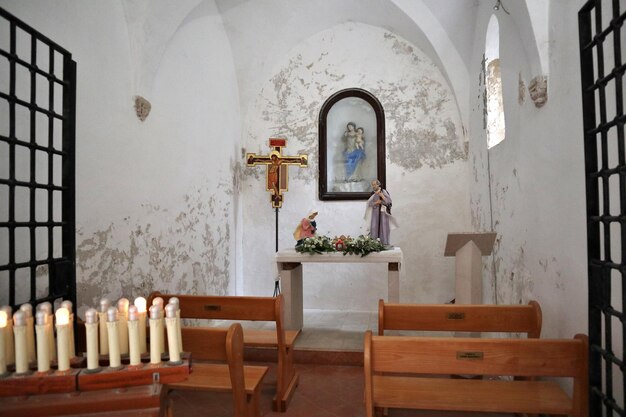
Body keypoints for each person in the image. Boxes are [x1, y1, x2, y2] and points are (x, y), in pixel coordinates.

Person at [365, 180, 395, 245]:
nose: (373, 186)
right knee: (374, 227)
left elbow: (389, 202)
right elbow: (369, 204)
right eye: (372, 185)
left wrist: (382, 197)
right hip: (375, 213)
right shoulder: (373, 193)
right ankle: (374, 244)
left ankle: (384, 243)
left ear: (378, 185)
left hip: (383, 213)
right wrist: (376, 203)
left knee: (384, 227)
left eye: (374, 185)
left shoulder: (383, 192)